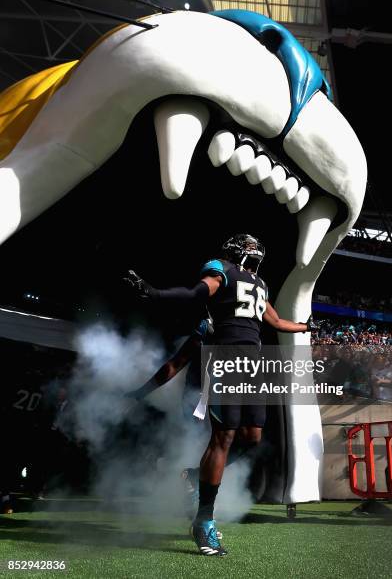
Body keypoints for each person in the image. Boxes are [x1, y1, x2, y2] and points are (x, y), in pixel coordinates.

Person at [124, 234, 313, 556]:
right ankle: (204, 522)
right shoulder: (220, 270)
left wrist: (306, 327)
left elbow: (276, 321)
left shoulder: (261, 283)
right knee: (223, 439)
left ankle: (196, 475)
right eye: (246, 244)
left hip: (254, 363)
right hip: (226, 360)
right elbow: (196, 294)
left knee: (252, 437)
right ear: (233, 249)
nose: (252, 249)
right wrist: (155, 293)